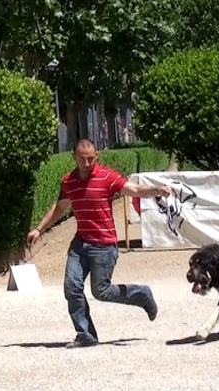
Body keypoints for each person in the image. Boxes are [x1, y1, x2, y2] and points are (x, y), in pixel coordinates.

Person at [27, 139, 171, 349]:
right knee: (72, 287)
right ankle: (85, 334)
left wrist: (156, 191)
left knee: (101, 291)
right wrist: (38, 229)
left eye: (91, 158)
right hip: (80, 243)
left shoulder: (106, 177)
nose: (87, 163)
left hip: (104, 245)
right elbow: (59, 208)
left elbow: (134, 189)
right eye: (82, 158)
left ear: (97, 156)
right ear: (74, 157)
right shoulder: (68, 182)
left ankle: (142, 295)